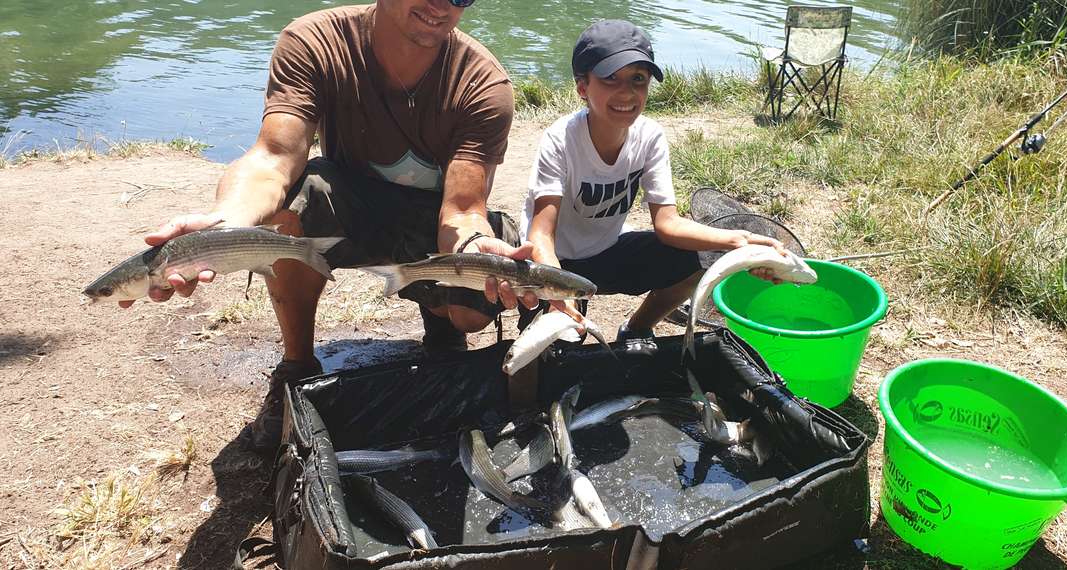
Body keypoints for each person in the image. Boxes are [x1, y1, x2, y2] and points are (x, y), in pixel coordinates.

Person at [124, 0, 542, 453]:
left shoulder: (482, 82)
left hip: (431, 221)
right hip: (347, 204)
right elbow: (273, 158)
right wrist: (226, 224)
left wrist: (476, 244)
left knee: (470, 313)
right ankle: (297, 365)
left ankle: (442, 325)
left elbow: (460, 212)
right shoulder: (315, 41)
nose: (442, 4)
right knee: (290, 206)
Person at [521, 20, 784, 352]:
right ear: (582, 87)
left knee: (698, 259)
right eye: (610, 79)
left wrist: (737, 241)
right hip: (553, 260)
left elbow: (667, 223)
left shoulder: (650, 137)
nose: (627, 93)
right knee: (562, 345)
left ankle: (636, 328)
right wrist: (555, 289)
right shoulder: (560, 140)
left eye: (638, 80)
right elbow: (541, 233)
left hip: (606, 250)